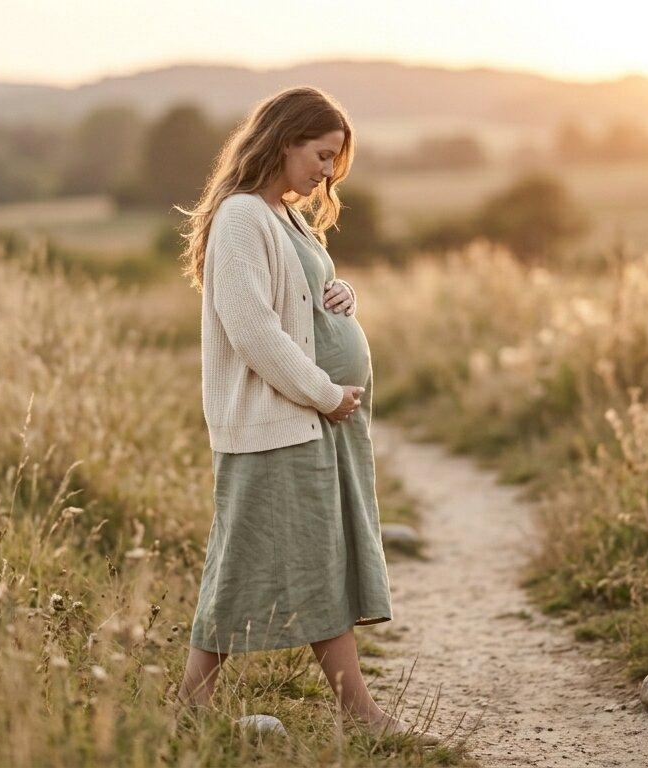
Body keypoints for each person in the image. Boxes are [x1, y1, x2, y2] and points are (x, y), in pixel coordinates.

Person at [171, 85, 441, 745]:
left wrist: (338, 294)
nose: (326, 172)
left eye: (334, 161)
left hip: (307, 423)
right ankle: (352, 711)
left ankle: (198, 705)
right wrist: (324, 391)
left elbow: (297, 294)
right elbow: (253, 330)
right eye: (321, 155)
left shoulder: (285, 217)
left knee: (292, 561)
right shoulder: (241, 216)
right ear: (285, 140)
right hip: (279, 424)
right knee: (248, 566)